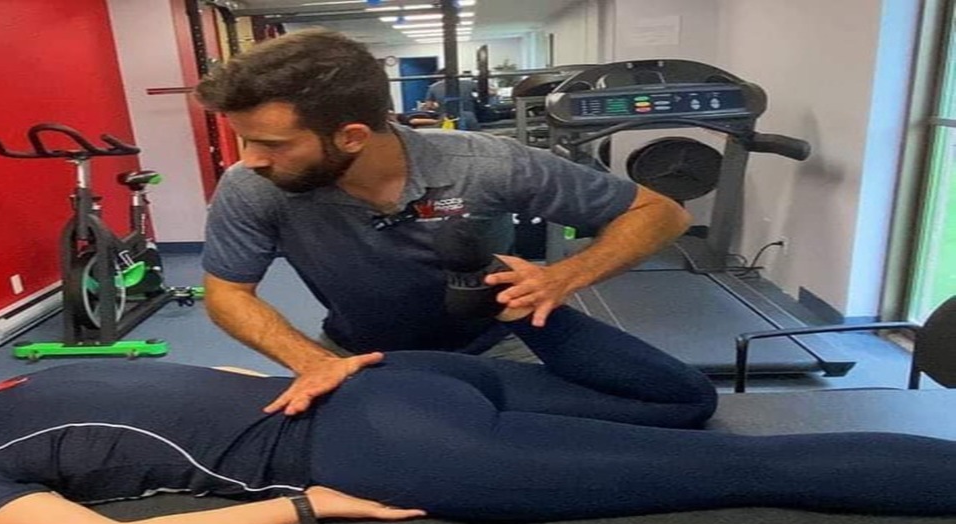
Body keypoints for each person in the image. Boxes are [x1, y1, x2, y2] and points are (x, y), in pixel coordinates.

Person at [0, 336, 956, 524]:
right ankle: (555, 317)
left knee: (747, 470)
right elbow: (204, 381)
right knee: (686, 418)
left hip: (383, 438)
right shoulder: (28, 370)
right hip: (401, 372)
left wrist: (304, 506)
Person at [193, 29, 697, 416]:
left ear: (351, 136)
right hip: (353, 354)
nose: (250, 158)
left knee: (604, 433)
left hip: (498, 346)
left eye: (273, 144)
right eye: (245, 140)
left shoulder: (484, 165)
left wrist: (563, 277)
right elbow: (228, 294)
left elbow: (661, 213)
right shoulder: (252, 185)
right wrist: (316, 364)